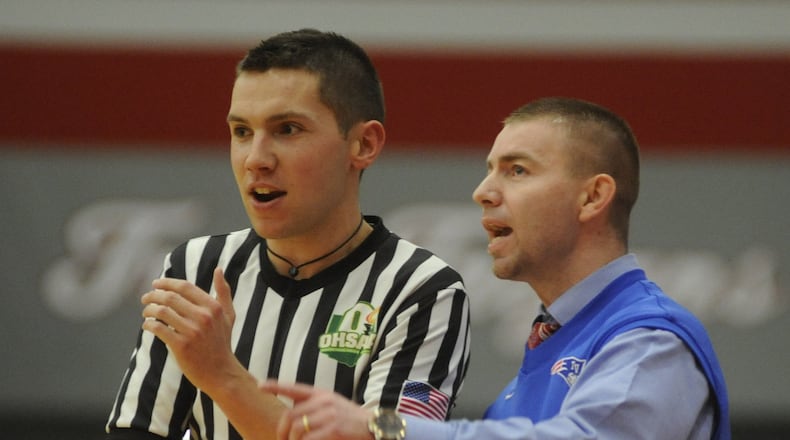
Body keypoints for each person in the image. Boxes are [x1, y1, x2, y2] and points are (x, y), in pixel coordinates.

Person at [262, 97, 730, 440]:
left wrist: (384, 427)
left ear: (592, 197)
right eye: (490, 169)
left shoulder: (651, 341)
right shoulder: (551, 352)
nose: (483, 191)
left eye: (517, 170)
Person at [105, 29, 471, 440]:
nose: (256, 159)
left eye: (287, 129)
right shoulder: (195, 269)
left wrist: (223, 375)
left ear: (364, 144)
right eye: (242, 131)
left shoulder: (422, 291)